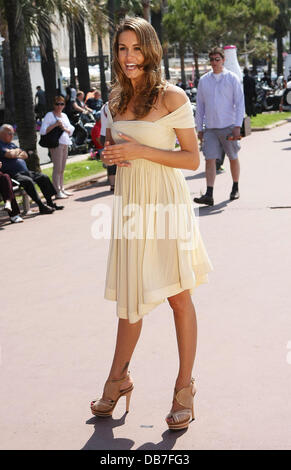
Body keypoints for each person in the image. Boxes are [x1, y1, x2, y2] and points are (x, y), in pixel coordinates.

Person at [90, 17, 212, 432]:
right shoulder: (113, 101)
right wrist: (115, 155)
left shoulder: (172, 96)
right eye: (122, 49)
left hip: (165, 203)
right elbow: (120, 150)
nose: (129, 57)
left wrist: (139, 150)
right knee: (130, 299)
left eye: (136, 48)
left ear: (151, 50)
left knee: (179, 297)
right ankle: (118, 379)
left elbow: (192, 158)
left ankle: (184, 388)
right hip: (130, 205)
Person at [194, 46, 245, 206]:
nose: (214, 62)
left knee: (232, 157)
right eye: (212, 60)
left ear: (223, 60)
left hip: (229, 126)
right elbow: (200, 106)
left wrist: (238, 125)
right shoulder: (204, 80)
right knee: (209, 159)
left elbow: (239, 103)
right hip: (210, 128)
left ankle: (235, 187)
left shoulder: (232, 78)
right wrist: (199, 128)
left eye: (217, 59)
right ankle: (209, 194)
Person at [0, 124, 62, 213]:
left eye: (13, 133)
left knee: (43, 177)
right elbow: (10, 155)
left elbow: (25, 155)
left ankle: (50, 203)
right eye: (9, 133)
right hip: (13, 175)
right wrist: (17, 151)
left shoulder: (11, 144)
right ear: (1, 134)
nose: (12, 135)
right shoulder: (1, 145)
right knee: (28, 181)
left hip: (25, 172)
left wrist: (15, 152)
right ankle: (41, 206)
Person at [40, 95, 75, 199]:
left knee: (62, 168)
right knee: (57, 168)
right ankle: (57, 190)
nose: (59, 106)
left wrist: (64, 128)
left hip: (65, 142)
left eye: (62, 104)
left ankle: (61, 188)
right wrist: (55, 125)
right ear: (53, 105)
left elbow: (70, 130)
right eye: (57, 104)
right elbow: (43, 131)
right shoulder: (49, 115)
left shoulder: (64, 115)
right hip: (56, 144)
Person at [99, 102, 116, 191]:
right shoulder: (110, 105)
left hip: (104, 134)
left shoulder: (104, 106)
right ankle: (113, 183)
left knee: (111, 159)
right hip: (109, 134)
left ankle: (113, 183)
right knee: (112, 159)